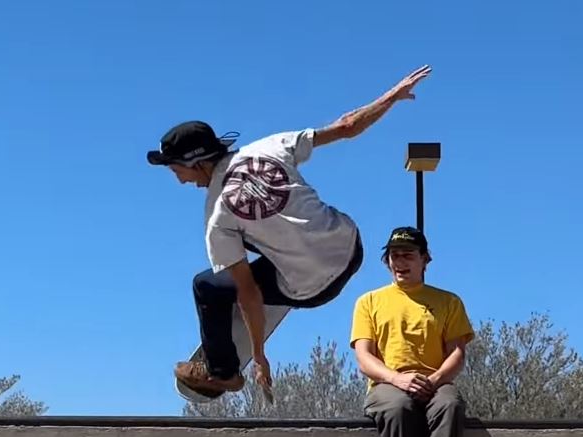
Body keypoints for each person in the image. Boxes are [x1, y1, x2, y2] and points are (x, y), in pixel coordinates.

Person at [147, 65, 433, 399]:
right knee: (261, 236)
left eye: (176, 170)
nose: (179, 180)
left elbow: (249, 294)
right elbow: (347, 126)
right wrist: (392, 96)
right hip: (351, 247)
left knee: (208, 284)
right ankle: (283, 257)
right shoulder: (270, 146)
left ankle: (219, 372)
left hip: (312, 290)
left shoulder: (217, 218)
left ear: (196, 162)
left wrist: (257, 355)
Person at [349, 226, 473, 437]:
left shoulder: (448, 302)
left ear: (424, 259)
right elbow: (364, 357)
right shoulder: (369, 302)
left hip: (434, 382)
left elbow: (457, 354)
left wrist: (433, 380)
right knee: (397, 408)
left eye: (407, 255)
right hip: (387, 384)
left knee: (450, 404)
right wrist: (397, 378)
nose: (399, 262)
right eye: (393, 256)